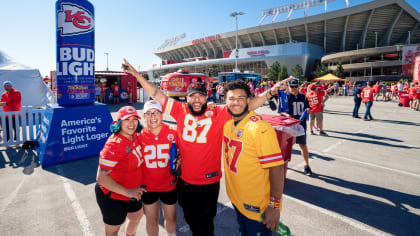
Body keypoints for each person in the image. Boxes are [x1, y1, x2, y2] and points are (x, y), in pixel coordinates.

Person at [122, 59, 284, 236]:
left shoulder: (218, 113)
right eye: (192, 96)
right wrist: (137, 75)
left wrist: (268, 94)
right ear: (187, 98)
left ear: (207, 98)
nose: (197, 99)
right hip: (184, 182)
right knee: (191, 220)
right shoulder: (179, 110)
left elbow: (247, 104)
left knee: (205, 227)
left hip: (208, 183)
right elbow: (155, 93)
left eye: (200, 95)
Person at [223, 80, 285, 234]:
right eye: (231, 98)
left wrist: (275, 206)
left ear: (249, 101)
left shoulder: (259, 128)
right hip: (237, 200)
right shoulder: (228, 125)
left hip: (256, 206)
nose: (236, 102)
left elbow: (276, 167)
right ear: (225, 101)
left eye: (241, 98)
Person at [95, 106, 146, 236]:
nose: (132, 123)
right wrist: (127, 192)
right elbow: (101, 177)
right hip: (114, 194)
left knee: (136, 216)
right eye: (127, 119)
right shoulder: (113, 145)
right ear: (119, 122)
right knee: (113, 231)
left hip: (132, 191)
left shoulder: (134, 135)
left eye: (135, 119)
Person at [139, 100, 178, 236]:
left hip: (169, 184)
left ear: (162, 115)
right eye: (148, 113)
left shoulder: (174, 133)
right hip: (148, 187)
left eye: (156, 112)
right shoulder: (139, 136)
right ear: (144, 116)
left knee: (171, 218)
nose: (153, 116)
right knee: (152, 220)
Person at [279, 79, 313, 176]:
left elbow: (308, 107)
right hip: (288, 126)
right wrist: (286, 115)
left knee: (303, 145)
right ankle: (283, 164)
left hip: (300, 125)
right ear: (289, 87)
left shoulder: (303, 97)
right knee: (285, 146)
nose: (294, 88)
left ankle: (307, 166)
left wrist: (308, 109)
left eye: (295, 86)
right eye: (292, 86)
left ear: (298, 86)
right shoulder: (285, 97)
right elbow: (281, 111)